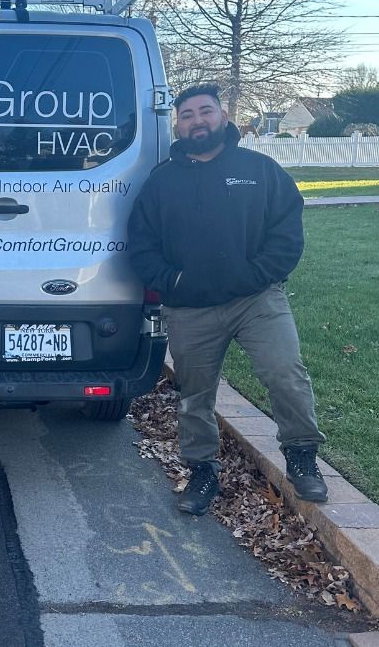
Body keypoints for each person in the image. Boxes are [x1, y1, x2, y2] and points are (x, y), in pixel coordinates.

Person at [127, 84, 328, 516]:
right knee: (194, 394)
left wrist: (255, 274)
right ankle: (202, 471)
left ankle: (302, 454)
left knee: (285, 372)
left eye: (206, 111)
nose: (197, 120)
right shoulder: (162, 181)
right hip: (190, 307)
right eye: (187, 115)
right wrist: (173, 281)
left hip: (256, 300)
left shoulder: (260, 169)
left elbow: (287, 231)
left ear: (222, 116)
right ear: (177, 125)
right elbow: (140, 244)